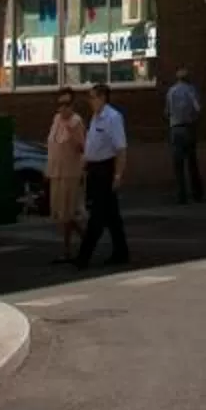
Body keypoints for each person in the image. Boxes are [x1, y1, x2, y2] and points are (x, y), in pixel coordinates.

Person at [73, 77, 131, 268]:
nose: (91, 101)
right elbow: (92, 145)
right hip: (94, 169)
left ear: (103, 98)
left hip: (106, 169)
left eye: (93, 97)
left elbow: (120, 149)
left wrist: (117, 175)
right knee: (112, 216)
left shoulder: (113, 118)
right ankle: (121, 252)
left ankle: (84, 257)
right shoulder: (95, 117)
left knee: (97, 216)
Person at [46, 87, 87, 262]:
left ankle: (68, 250)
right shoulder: (56, 120)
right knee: (60, 214)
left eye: (67, 104)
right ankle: (86, 239)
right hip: (56, 172)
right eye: (61, 104)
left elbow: (82, 147)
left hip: (70, 172)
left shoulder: (76, 122)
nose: (63, 108)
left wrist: (72, 133)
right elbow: (52, 145)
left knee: (67, 214)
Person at [166, 67, 205, 203]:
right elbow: (198, 108)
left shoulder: (171, 91)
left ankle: (181, 195)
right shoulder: (191, 90)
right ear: (188, 78)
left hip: (175, 129)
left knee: (178, 165)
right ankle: (196, 194)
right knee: (192, 162)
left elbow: (167, 111)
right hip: (188, 128)